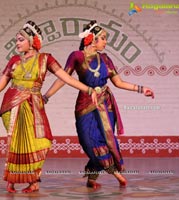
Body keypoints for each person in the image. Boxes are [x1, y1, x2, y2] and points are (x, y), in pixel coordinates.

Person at [0, 20, 99, 193]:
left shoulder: (45, 59)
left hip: (34, 107)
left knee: (40, 142)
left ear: (32, 41)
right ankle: (12, 180)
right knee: (16, 143)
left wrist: (89, 89)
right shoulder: (14, 61)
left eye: (20, 39)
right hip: (13, 105)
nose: (16, 43)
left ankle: (33, 180)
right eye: (16, 40)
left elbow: (67, 78)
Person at [43, 20, 155, 189]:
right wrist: (46, 96)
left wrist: (141, 89)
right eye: (103, 38)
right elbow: (63, 79)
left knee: (104, 141)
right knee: (89, 142)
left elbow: (119, 82)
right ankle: (109, 174)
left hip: (105, 105)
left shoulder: (106, 59)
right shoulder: (77, 56)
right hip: (85, 106)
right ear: (92, 39)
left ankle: (103, 178)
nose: (106, 41)